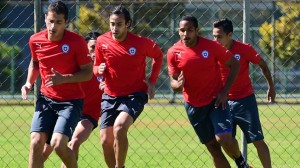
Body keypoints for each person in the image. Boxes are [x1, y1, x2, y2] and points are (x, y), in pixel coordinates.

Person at [167, 15, 250, 168]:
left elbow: (235, 64)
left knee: (223, 138)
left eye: (190, 30)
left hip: (216, 102)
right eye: (182, 30)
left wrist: (225, 91)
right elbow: (173, 80)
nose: (186, 34)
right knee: (213, 148)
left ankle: (241, 162)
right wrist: (177, 85)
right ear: (178, 31)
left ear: (196, 30)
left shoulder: (211, 46)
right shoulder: (173, 52)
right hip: (193, 106)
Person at [21, 1, 93, 168]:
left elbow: (88, 72)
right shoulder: (35, 40)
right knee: (35, 143)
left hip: (70, 102)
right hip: (46, 99)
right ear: (45, 18)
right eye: (51, 21)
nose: (53, 26)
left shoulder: (76, 41)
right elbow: (35, 63)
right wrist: (28, 83)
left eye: (58, 22)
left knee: (58, 144)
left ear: (66, 22)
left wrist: (64, 79)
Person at [93, 5, 163, 168]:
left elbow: (158, 56)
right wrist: (99, 70)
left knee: (119, 128)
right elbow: (96, 67)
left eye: (119, 24)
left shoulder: (141, 43)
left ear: (128, 24)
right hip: (110, 96)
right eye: (112, 24)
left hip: (134, 95)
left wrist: (152, 81)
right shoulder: (102, 41)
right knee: (105, 141)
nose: (114, 28)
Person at [213, 18, 275, 168]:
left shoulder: (244, 49)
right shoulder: (212, 50)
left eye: (219, 36)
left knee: (258, 140)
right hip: (222, 103)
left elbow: (263, 65)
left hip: (245, 101)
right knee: (222, 142)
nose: (215, 40)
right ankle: (243, 164)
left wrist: (271, 87)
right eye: (213, 36)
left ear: (230, 35)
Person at [42, 32, 104, 167]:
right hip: (67, 110)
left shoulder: (106, 68)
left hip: (88, 116)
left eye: (99, 48)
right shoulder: (78, 68)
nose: (96, 51)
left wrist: (109, 87)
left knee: (74, 141)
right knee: (43, 153)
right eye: (93, 47)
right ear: (85, 49)